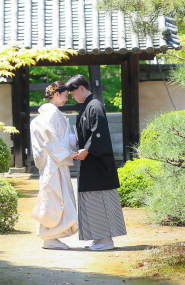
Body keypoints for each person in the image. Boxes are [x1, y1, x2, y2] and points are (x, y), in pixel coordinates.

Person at [66, 74, 127, 251]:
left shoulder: (95, 105)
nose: (72, 96)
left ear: (81, 88)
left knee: (101, 200)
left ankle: (106, 240)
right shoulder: (87, 106)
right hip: (90, 163)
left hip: (98, 164)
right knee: (91, 201)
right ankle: (98, 238)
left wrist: (87, 149)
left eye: (73, 92)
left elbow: (98, 133)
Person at [30, 81, 78, 250]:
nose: (67, 99)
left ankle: (51, 236)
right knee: (56, 198)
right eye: (65, 95)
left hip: (54, 161)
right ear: (57, 94)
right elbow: (52, 139)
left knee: (55, 198)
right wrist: (68, 153)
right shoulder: (52, 114)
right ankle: (50, 237)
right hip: (55, 162)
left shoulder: (46, 114)